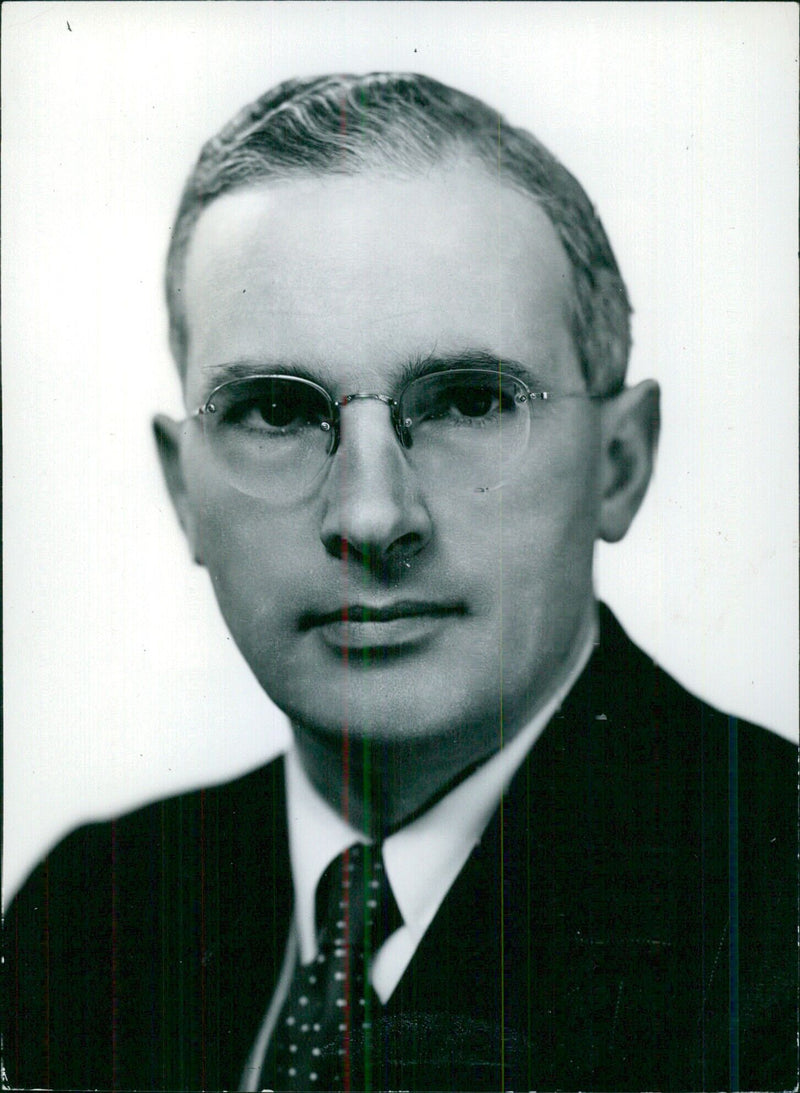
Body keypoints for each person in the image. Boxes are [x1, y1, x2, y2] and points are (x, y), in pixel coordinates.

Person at [4, 72, 795, 1093]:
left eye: (468, 400)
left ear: (619, 462)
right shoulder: (90, 912)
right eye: (277, 413)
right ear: (182, 491)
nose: (371, 516)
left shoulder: (777, 909)